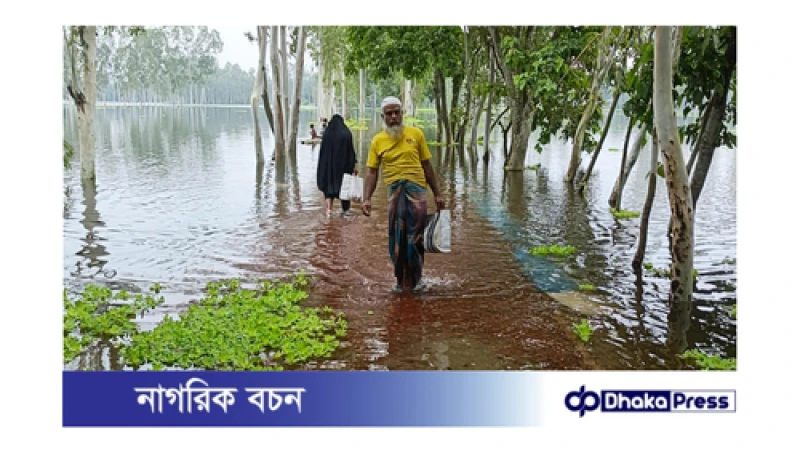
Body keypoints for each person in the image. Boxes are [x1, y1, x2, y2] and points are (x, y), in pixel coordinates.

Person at [362, 96, 445, 295]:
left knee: (415, 236)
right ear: (383, 116)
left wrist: (438, 194)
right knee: (396, 236)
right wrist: (366, 198)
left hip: (417, 191)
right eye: (389, 114)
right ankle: (400, 281)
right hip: (394, 193)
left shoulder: (416, 134)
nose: (393, 117)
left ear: (402, 113)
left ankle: (417, 280)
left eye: (396, 112)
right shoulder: (377, 141)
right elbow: (372, 172)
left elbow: (427, 165)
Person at [316, 114, 358, 218]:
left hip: (329, 168)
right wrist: (354, 166)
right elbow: (351, 152)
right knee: (344, 188)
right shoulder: (346, 133)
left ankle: (329, 211)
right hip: (343, 168)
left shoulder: (327, 134)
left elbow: (322, 154)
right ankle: (345, 211)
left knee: (328, 189)